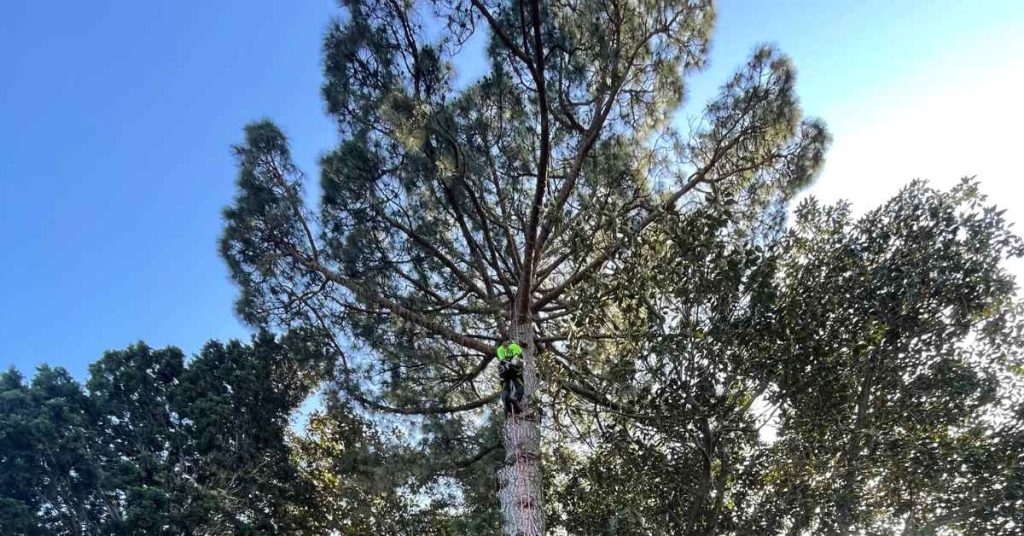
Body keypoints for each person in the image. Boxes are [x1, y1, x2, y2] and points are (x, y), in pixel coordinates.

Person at [496, 339, 524, 415]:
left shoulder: (499, 349)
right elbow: (517, 354)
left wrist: (504, 364)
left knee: (505, 387)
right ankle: (516, 399)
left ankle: (506, 401)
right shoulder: (514, 345)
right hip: (513, 368)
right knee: (520, 386)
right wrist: (515, 359)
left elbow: (501, 358)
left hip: (503, 368)